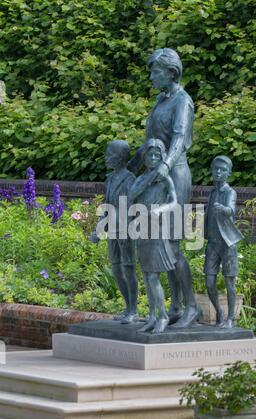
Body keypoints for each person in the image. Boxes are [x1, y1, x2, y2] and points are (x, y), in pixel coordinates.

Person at [128, 48, 202, 328]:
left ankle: (191, 306)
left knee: (171, 244)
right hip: (156, 176)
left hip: (175, 174)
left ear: (172, 72)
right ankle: (175, 307)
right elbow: (150, 144)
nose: (151, 77)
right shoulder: (160, 101)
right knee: (161, 245)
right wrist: (129, 170)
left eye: (155, 71)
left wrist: (165, 166)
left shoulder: (183, 101)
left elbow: (180, 139)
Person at [129, 139, 178, 334]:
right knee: (146, 274)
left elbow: (174, 202)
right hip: (142, 229)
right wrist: (150, 177)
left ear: (163, 157)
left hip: (157, 228)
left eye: (157, 155)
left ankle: (163, 316)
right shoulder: (142, 178)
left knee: (153, 277)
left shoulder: (166, 179)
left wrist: (161, 210)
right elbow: (132, 194)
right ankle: (151, 316)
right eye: (150, 155)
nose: (153, 158)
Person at [91, 140, 138, 324]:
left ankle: (133, 310)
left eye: (109, 154)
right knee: (117, 270)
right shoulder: (109, 179)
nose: (106, 157)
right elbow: (107, 207)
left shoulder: (130, 179)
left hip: (125, 231)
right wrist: (100, 228)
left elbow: (131, 208)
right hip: (112, 230)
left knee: (128, 269)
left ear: (120, 158)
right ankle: (128, 307)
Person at [204, 155, 243, 329]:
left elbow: (231, 209)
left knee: (229, 282)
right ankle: (219, 312)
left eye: (222, 170)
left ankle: (230, 319)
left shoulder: (229, 192)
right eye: (216, 169)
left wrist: (224, 210)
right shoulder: (212, 192)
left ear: (229, 173)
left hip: (227, 244)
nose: (218, 172)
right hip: (212, 243)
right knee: (209, 281)